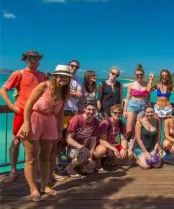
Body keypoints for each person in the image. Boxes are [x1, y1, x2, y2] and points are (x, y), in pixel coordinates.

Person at [17, 64, 70, 201]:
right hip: (35, 120)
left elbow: (60, 113)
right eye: (61, 76)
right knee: (32, 158)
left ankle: (44, 186)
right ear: (55, 76)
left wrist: (59, 130)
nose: (63, 79)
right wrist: (27, 123)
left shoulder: (64, 92)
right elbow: (29, 104)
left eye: (66, 77)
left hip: (50, 123)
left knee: (46, 157)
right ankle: (33, 188)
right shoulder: (44, 86)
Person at [0, 50, 46, 183]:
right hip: (21, 111)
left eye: (36, 58)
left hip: (38, 113)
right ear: (25, 60)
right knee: (16, 141)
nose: (33, 60)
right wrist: (10, 105)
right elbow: (3, 90)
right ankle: (13, 171)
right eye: (30, 58)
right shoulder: (18, 73)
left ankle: (34, 172)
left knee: (37, 142)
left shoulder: (42, 75)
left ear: (39, 60)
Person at [65, 101, 101, 178]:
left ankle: (81, 165)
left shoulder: (96, 122)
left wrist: (90, 154)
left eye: (93, 110)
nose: (91, 112)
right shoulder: (76, 119)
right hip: (71, 149)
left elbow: (93, 139)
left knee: (91, 166)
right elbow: (68, 139)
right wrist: (82, 148)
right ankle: (69, 168)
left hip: (85, 150)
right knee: (85, 154)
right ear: (84, 109)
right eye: (89, 109)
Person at [95, 104, 129, 171]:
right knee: (101, 150)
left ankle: (110, 162)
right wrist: (114, 149)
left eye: (119, 113)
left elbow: (123, 138)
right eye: (115, 113)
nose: (117, 114)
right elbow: (102, 141)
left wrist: (124, 149)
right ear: (111, 113)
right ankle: (96, 162)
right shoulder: (105, 123)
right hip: (102, 144)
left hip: (112, 144)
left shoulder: (121, 123)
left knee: (129, 153)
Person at [123, 64, 152, 136]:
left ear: (143, 75)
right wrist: (124, 110)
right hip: (132, 105)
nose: (139, 76)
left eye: (141, 74)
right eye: (137, 74)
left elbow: (149, 96)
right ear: (135, 75)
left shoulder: (147, 84)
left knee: (137, 129)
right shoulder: (131, 85)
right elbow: (127, 98)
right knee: (129, 129)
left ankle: (132, 146)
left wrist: (151, 80)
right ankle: (124, 142)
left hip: (143, 106)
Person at [132, 104, 162, 169]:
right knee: (146, 166)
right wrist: (145, 152)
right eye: (148, 112)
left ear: (154, 112)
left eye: (151, 112)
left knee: (157, 165)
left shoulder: (157, 121)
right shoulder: (139, 122)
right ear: (144, 113)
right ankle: (136, 158)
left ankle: (157, 155)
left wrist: (155, 150)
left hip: (151, 147)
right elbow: (138, 139)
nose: (150, 114)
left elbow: (158, 137)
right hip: (140, 147)